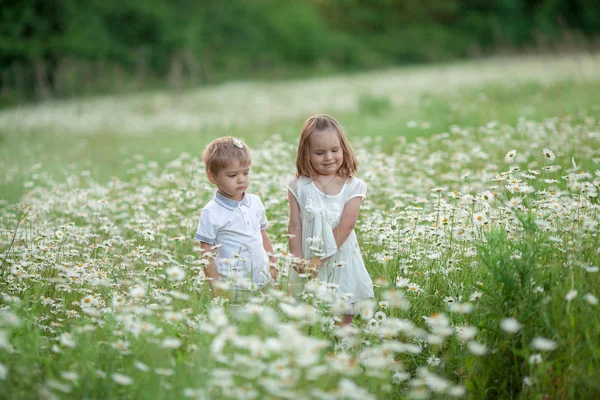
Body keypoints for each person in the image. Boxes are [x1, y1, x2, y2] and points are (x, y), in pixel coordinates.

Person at [287, 114, 374, 325]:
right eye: (319, 152)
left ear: (343, 149)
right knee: (309, 313)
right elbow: (295, 225)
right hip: (308, 261)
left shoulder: (353, 186)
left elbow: (346, 226)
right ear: (305, 154)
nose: (328, 157)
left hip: (340, 258)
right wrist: (298, 258)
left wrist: (320, 260)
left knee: (343, 311)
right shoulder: (298, 186)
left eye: (334, 150)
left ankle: (345, 347)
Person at [195, 136, 278, 297]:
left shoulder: (255, 202)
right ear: (212, 177)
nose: (241, 180)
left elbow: (262, 236)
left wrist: (273, 265)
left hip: (262, 281)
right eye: (232, 175)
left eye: (246, 173)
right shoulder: (211, 212)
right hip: (233, 287)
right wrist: (217, 287)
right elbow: (206, 253)